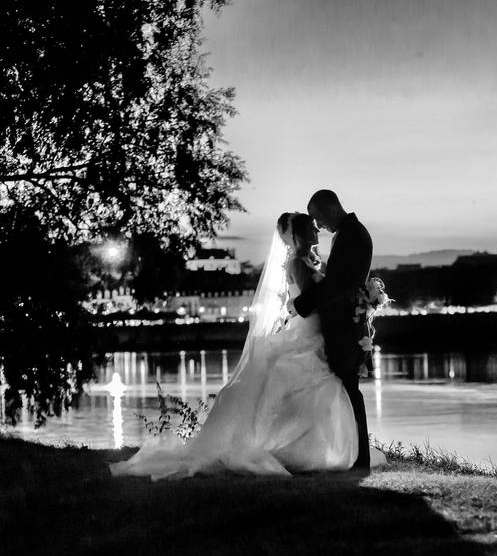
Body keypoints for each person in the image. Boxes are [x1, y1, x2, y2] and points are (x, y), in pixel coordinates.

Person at [110, 212, 383, 480]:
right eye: (312, 228)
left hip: (315, 333)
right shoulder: (298, 264)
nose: (317, 231)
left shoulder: (307, 260)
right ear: (298, 235)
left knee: (318, 392)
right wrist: (352, 302)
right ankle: (305, 451)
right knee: (313, 390)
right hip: (308, 333)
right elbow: (310, 301)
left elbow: (314, 297)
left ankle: (319, 449)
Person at [288, 190, 374, 470]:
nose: (319, 225)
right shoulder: (348, 233)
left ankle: (359, 458)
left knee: (349, 392)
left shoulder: (353, 235)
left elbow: (337, 284)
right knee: (346, 391)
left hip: (345, 326)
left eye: (318, 217)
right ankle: (350, 453)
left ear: (330, 208)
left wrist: (299, 305)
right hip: (342, 324)